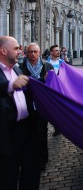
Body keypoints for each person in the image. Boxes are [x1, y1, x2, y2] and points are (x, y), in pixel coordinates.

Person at [0, 36, 40, 190]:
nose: (20, 52)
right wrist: (10, 85)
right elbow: (7, 86)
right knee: (8, 178)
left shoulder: (17, 69)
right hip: (7, 135)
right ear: (3, 50)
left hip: (28, 131)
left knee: (31, 174)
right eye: (16, 48)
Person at [19, 42, 54, 171]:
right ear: (26, 53)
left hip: (42, 106)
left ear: (40, 53)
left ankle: (43, 159)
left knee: (42, 133)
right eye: (30, 52)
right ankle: (29, 159)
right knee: (28, 134)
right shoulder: (20, 68)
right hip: (26, 106)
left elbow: (53, 84)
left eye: (35, 51)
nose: (33, 54)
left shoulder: (48, 66)